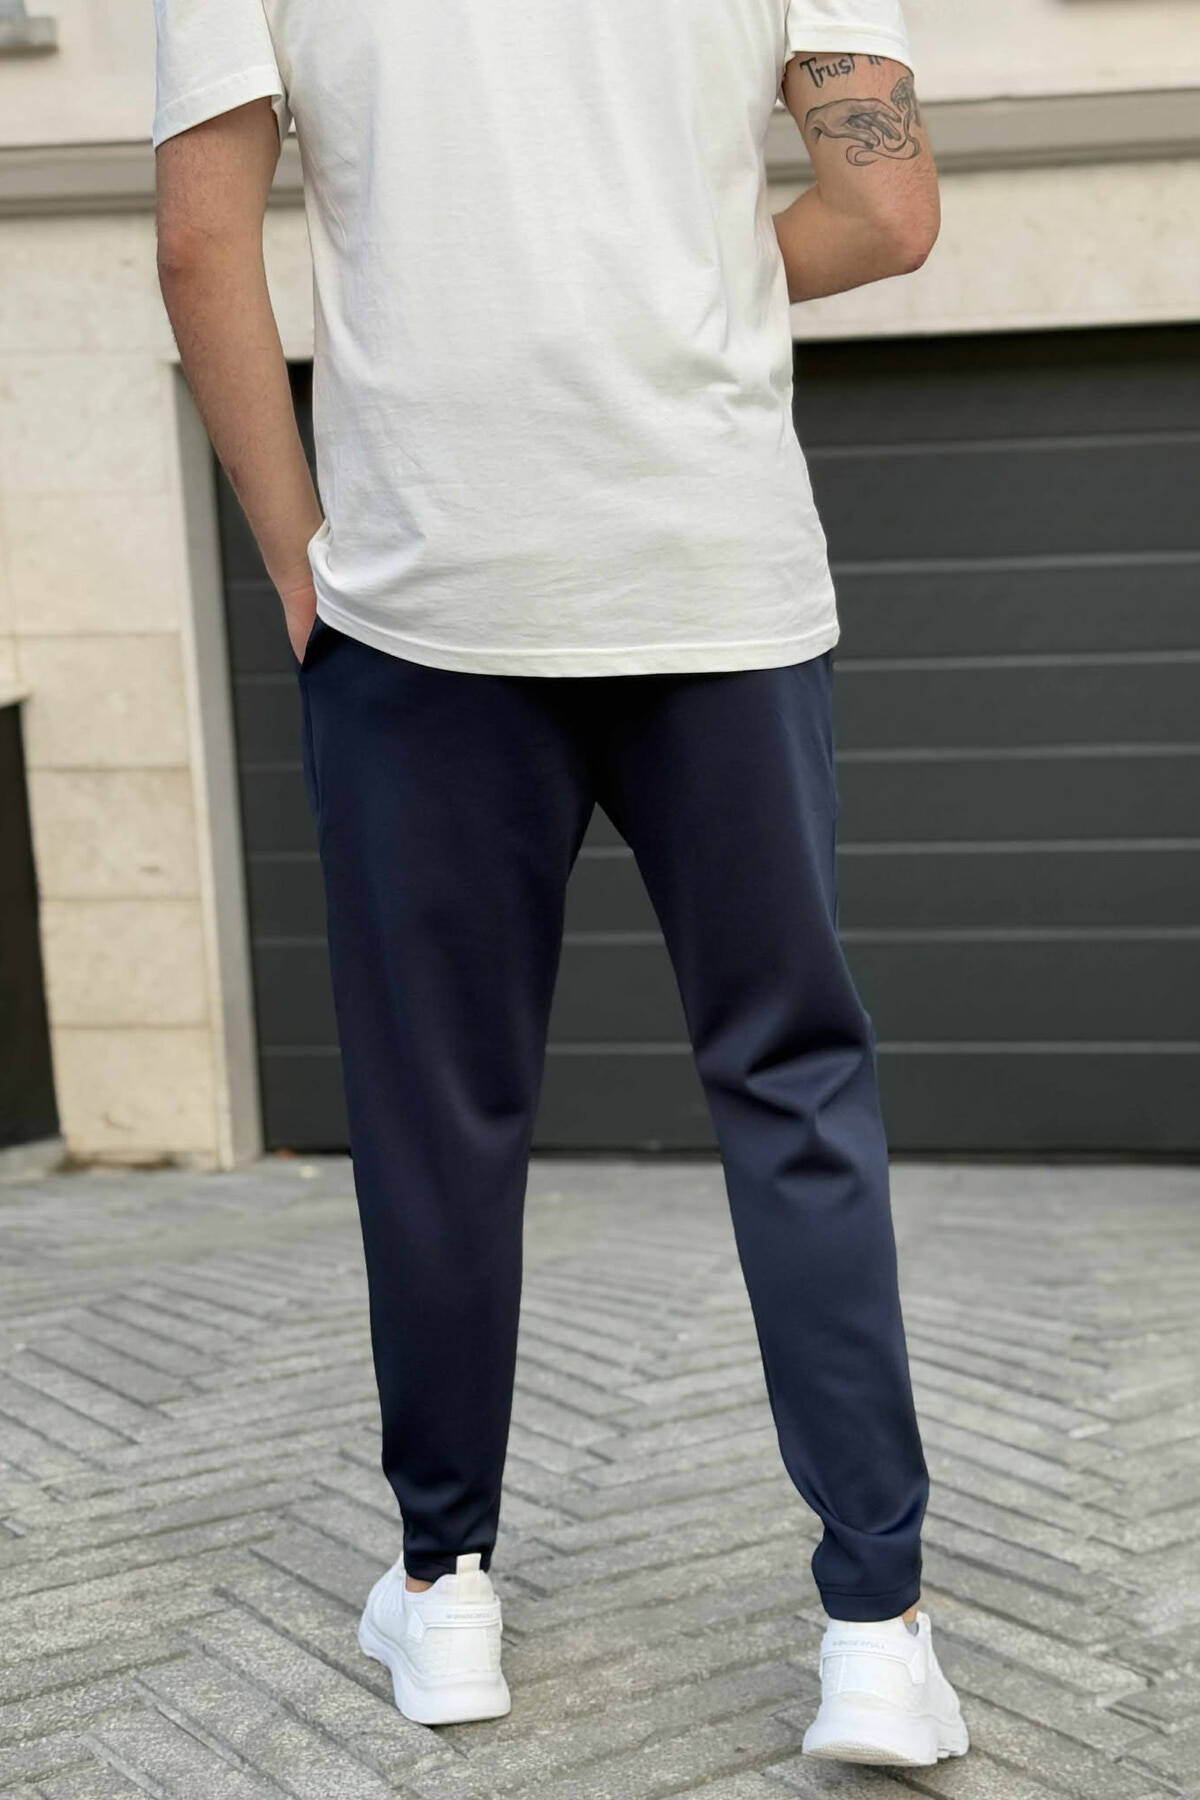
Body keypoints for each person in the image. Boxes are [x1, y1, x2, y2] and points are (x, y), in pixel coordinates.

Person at [152, 0, 968, 1766]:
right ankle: (876, 1631)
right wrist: (678, 292)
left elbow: (201, 243)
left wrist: (299, 567)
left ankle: (445, 1592)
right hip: (717, 571)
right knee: (794, 1088)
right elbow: (887, 211)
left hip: (427, 589)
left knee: (438, 1117)